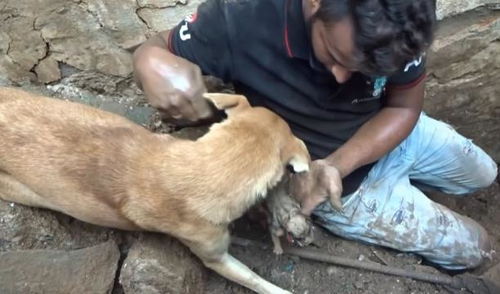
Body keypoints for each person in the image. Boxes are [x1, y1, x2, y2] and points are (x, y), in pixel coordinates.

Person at [133, 0, 498, 270]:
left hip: (388, 135)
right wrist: (152, 65)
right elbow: (156, 48)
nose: (341, 77)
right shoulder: (241, 16)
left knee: (485, 175)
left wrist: (341, 162)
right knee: (479, 251)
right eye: (334, 54)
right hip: (343, 190)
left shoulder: (402, 19)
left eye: (364, 69)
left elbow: (403, 107)